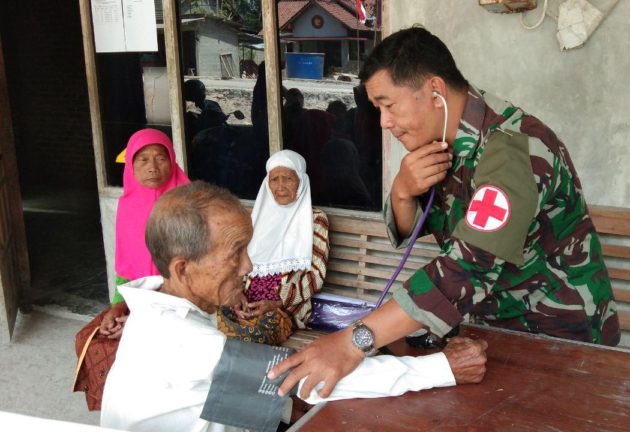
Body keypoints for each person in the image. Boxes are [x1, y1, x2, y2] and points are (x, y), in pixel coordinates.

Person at [270, 26, 620, 400]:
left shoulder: (512, 153)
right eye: (378, 109)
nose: (384, 122)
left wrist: (354, 342)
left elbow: (467, 266)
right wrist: (403, 191)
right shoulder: (444, 141)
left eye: (389, 105)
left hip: (561, 341)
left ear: (435, 90)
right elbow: (416, 227)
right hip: (491, 329)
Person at [100, 181, 488, 432]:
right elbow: (314, 379)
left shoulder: (157, 310)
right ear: (184, 269)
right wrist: (443, 368)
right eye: (236, 254)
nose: (249, 267)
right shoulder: (184, 342)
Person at [217, 150, 329, 345]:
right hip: (246, 302)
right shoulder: (258, 217)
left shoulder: (315, 219)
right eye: (274, 179)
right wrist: (237, 296)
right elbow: (238, 265)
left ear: (301, 181)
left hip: (284, 310)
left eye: (288, 178)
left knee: (252, 337)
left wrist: (278, 302)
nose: (280, 186)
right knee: (212, 321)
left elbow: (316, 277)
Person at [99, 128, 190, 339]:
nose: (152, 168)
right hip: (138, 300)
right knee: (92, 343)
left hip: (182, 306)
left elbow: (198, 273)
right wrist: (117, 306)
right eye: (143, 160)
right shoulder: (128, 207)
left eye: (160, 158)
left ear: (172, 160)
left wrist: (143, 317)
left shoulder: (191, 205)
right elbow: (126, 268)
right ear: (131, 165)